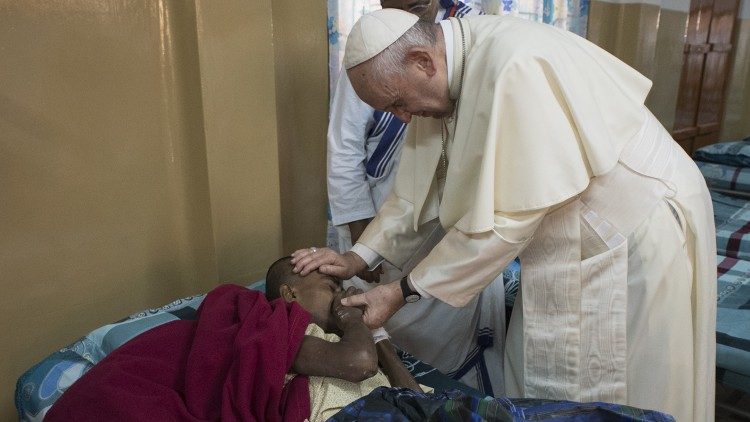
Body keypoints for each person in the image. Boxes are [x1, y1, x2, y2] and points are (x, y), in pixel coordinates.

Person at [293, 9, 716, 422]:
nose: (402, 118)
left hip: (627, 238)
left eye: (400, 103)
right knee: (540, 373)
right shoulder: (443, 75)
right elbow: (415, 195)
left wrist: (402, 290)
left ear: (421, 62)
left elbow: (503, 220)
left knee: (626, 387)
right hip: (569, 243)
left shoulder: (514, 66)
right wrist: (359, 256)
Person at [327, 0, 509, 397]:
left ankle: (457, 394)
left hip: (467, 219)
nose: (403, 117)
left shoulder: (480, 40)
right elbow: (347, 151)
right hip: (390, 218)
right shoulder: (371, 56)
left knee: (458, 309)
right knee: (397, 320)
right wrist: (362, 245)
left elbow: (508, 207)